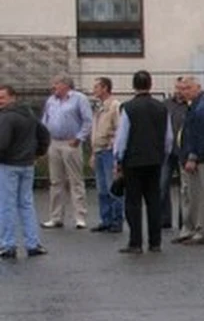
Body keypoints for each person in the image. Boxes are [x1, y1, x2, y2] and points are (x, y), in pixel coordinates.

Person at [113, 70, 171, 255]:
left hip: (133, 160)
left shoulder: (128, 108)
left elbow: (122, 137)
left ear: (133, 85)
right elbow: (168, 137)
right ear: (151, 85)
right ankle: (155, 242)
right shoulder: (162, 108)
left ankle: (135, 242)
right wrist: (163, 155)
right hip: (155, 160)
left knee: (133, 202)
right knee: (154, 201)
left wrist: (118, 158)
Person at [0, 85, 50, 259]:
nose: (0, 102)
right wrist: (38, 153)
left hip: (8, 165)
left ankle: (8, 244)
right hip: (27, 164)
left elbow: (2, 143)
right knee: (26, 204)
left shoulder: (6, 117)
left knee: (7, 205)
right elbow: (44, 134)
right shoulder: (30, 114)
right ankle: (32, 243)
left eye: (2, 98)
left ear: (12, 98)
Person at [40, 73, 92, 229]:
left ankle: (80, 217)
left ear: (65, 84)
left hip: (71, 142)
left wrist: (79, 137)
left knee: (75, 180)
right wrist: (44, 138)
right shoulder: (51, 101)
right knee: (56, 181)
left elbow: (87, 120)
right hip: (54, 142)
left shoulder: (79, 98)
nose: (53, 87)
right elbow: (45, 119)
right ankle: (56, 217)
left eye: (56, 84)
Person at [175, 76, 204, 246]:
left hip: (199, 159)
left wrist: (193, 157)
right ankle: (191, 228)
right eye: (182, 88)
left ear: (197, 87)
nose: (183, 92)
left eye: (188, 88)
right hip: (190, 156)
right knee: (190, 195)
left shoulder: (202, 108)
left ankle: (202, 230)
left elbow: (201, 136)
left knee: (199, 195)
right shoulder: (195, 105)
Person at [89, 76, 124, 233]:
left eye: (96, 87)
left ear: (105, 88)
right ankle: (106, 219)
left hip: (109, 150)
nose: (94, 90)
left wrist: (115, 149)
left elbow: (119, 128)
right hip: (98, 150)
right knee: (101, 187)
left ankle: (117, 219)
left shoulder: (114, 106)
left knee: (113, 186)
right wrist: (93, 152)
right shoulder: (98, 107)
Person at [160, 78, 189, 232]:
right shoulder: (166, 104)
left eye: (182, 88)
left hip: (183, 151)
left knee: (184, 188)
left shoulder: (190, 106)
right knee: (162, 185)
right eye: (177, 87)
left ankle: (183, 220)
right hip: (168, 150)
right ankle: (164, 219)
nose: (179, 91)